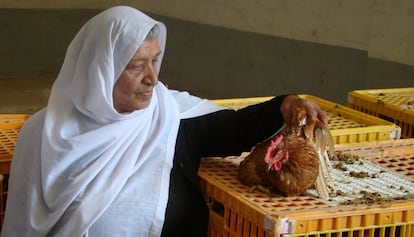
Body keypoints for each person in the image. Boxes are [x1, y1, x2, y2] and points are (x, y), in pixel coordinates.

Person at [1, 6, 327, 237]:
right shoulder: (43, 135)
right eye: (135, 67)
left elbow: (234, 129)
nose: (152, 79)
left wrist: (284, 105)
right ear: (99, 71)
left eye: (155, 61)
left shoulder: (167, 115)